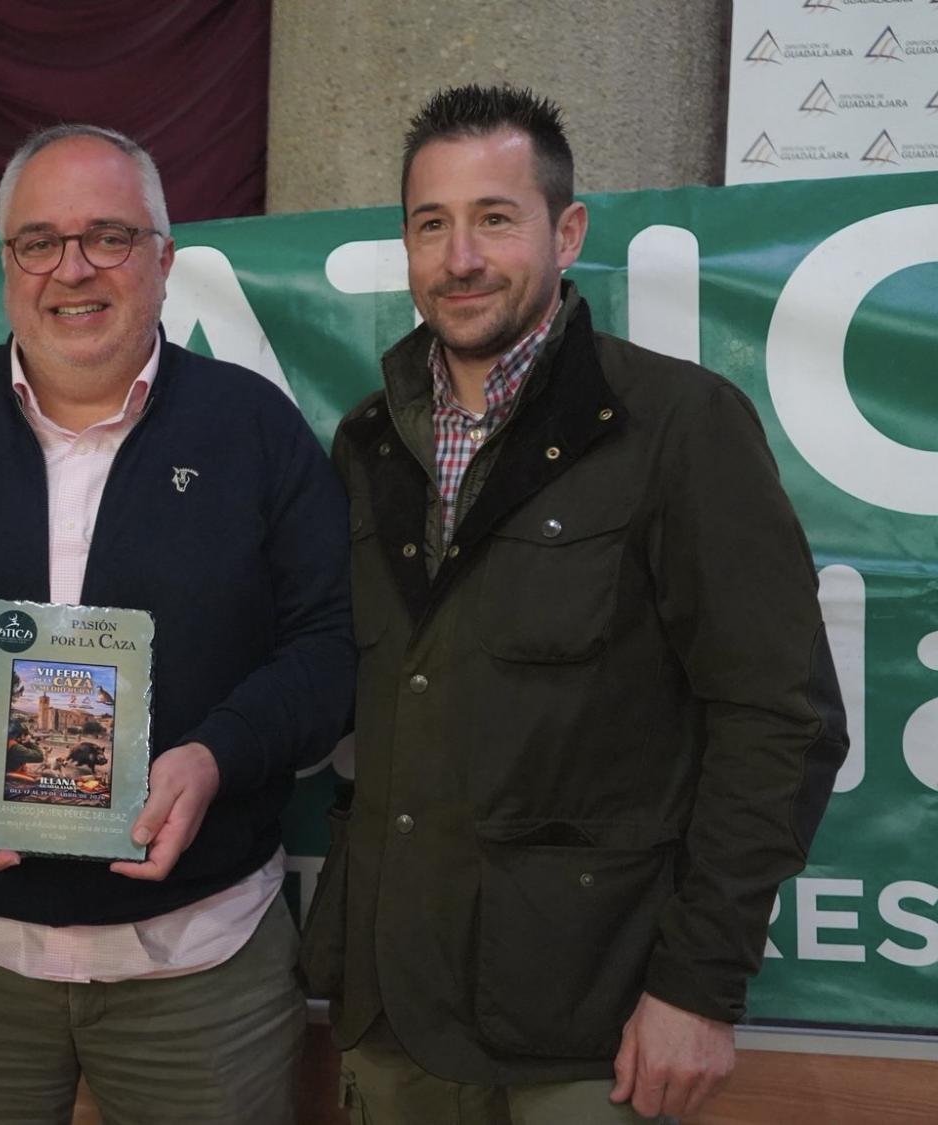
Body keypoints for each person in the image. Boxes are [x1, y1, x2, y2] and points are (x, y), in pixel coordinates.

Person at [0, 123, 354, 1125]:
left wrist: (218, 756)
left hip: (200, 965)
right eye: (38, 241)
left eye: (108, 237)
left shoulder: (253, 428)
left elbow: (332, 643)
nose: (71, 269)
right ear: (6, 265)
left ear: (163, 258)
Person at [301, 83, 848, 1124]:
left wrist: (699, 985)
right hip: (394, 1010)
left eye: (494, 218)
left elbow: (781, 720)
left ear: (566, 233)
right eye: (431, 224)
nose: (460, 257)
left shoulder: (679, 425)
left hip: (591, 1022)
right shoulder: (367, 442)